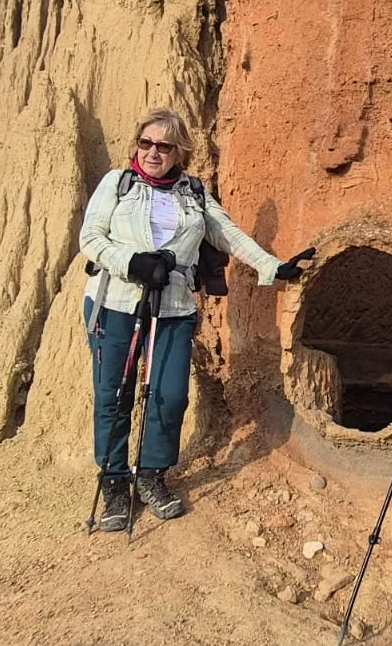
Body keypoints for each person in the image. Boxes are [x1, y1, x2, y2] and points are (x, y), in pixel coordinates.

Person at [79, 107, 312, 531]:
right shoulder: (118, 183)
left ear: (179, 152)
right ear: (137, 145)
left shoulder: (194, 194)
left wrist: (272, 266)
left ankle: (152, 474)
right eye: (146, 143)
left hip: (173, 309)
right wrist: (133, 262)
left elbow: (228, 234)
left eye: (164, 146)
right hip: (115, 304)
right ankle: (114, 481)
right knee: (114, 395)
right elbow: (91, 238)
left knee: (169, 396)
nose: (153, 152)